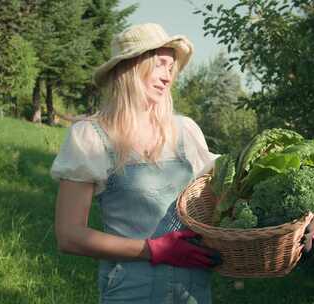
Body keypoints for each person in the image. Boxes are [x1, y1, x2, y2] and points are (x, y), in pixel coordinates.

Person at [50, 23, 220, 303]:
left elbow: (229, 194)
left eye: (171, 67)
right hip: (132, 290)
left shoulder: (185, 131)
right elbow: (69, 236)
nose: (168, 76)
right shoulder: (91, 137)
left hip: (192, 291)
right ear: (130, 68)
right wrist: (154, 249)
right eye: (159, 65)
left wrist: (295, 216)